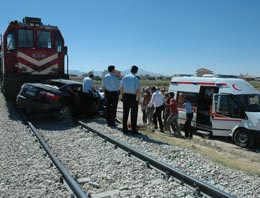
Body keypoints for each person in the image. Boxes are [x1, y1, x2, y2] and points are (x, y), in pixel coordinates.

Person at [120, 65, 141, 134]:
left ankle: (124, 129)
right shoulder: (135, 78)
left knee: (125, 113)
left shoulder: (124, 77)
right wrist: (139, 99)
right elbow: (138, 90)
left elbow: (121, 88)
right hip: (133, 97)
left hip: (125, 96)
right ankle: (133, 130)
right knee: (134, 114)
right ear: (136, 71)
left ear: (130, 70)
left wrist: (122, 96)